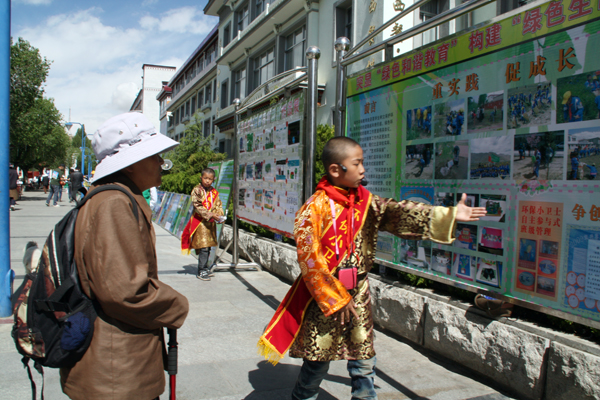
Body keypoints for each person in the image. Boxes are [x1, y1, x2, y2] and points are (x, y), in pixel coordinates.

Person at [257, 137, 487, 400]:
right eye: (356, 163)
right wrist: (335, 299)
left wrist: (447, 215)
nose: (363, 169)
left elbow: (398, 213)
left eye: (363, 162)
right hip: (325, 299)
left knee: (363, 358)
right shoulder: (314, 208)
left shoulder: (365, 201)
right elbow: (310, 261)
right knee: (318, 362)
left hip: (358, 290)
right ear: (335, 170)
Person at [60, 112, 189, 400]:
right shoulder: (114, 204)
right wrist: (176, 306)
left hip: (115, 364)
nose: (160, 162)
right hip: (116, 369)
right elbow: (125, 291)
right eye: (153, 155)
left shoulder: (110, 198)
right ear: (130, 165)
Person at [181, 168, 224, 281]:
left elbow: (218, 205)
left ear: (213, 179)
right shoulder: (197, 190)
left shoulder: (214, 192)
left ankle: (205, 267)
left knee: (208, 246)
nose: (207, 181)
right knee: (203, 247)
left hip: (210, 224)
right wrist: (210, 214)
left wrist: (219, 215)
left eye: (210, 179)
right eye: (205, 178)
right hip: (200, 223)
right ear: (201, 178)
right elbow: (197, 205)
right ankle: (201, 270)